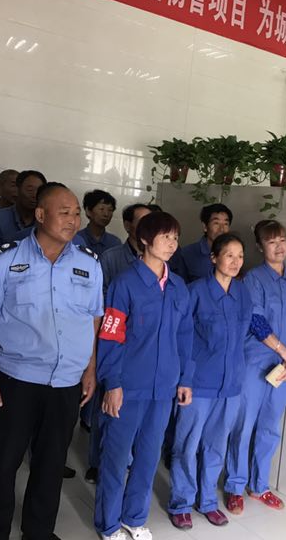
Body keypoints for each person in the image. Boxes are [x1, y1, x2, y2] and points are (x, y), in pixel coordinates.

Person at [0, 182, 102, 540]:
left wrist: (90, 368)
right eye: (64, 212)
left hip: (66, 383)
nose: (73, 220)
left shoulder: (89, 264)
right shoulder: (6, 259)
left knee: (51, 465)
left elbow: (92, 320)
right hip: (16, 380)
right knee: (1, 465)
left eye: (77, 213)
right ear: (41, 215)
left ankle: (38, 532)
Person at [95, 211, 194, 540]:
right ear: (145, 239)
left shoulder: (178, 287)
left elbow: (185, 337)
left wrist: (185, 378)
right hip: (128, 387)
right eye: (165, 237)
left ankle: (134, 518)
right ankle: (109, 525)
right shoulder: (125, 284)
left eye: (175, 237)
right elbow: (111, 336)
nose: (172, 243)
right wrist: (113, 383)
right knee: (116, 458)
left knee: (149, 458)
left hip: (163, 389)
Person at [224, 220, 286, 514]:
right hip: (255, 362)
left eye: (282, 240)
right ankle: (235, 486)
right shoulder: (253, 279)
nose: (279, 247)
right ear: (260, 247)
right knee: (244, 425)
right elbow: (256, 320)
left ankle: (259, 486)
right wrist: (284, 351)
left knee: (270, 427)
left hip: (284, 367)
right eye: (272, 242)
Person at [167, 232, 252, 529]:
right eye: (229, 255)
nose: (235, 262)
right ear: (214, 258)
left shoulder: (243, 293)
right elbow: (182, 339)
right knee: (186, 445)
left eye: (240, 256)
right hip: (198, 384)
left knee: (216, 445)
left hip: (231, 385)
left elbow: (242, 337)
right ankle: (181, 503)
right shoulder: (195, 292)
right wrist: (184, 379)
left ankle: (207, 502)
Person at [83, 202, 160, 485]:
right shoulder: (112, 258)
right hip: (114, 344)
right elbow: (100, 304)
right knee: (105, 408)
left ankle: (127, 463)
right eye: (142, 222)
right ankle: (97, 462)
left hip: (145, 350)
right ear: (129, 226)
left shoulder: (163, 263)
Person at [0, 169, 46, 254]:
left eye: (39, 191)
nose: (35, 195)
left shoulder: (48, 222)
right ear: (17, 190)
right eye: (30, 190)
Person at [169, 203, 232, 283]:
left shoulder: (235, 254)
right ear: (205, 226)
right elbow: (179, 286)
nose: (222, 229)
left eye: (226, 224)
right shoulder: (187, 254)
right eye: (216, 223)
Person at [74, 189, 121, 256]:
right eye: (101, 209)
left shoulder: (115, 243)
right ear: (88, 211)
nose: (106, 214)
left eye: (110, 210)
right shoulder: (76, 239)